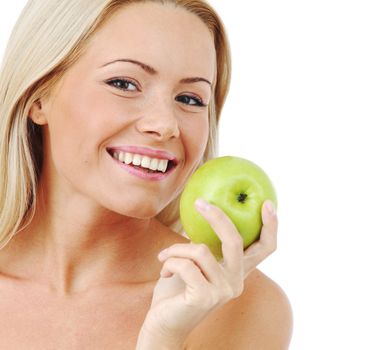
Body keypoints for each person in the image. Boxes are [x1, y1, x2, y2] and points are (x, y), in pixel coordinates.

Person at [0, 0, 293, 348]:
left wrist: (164, 338)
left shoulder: (238, 307)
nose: (165, 125)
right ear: (39, 97)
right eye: (124, 83)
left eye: (190, 98)